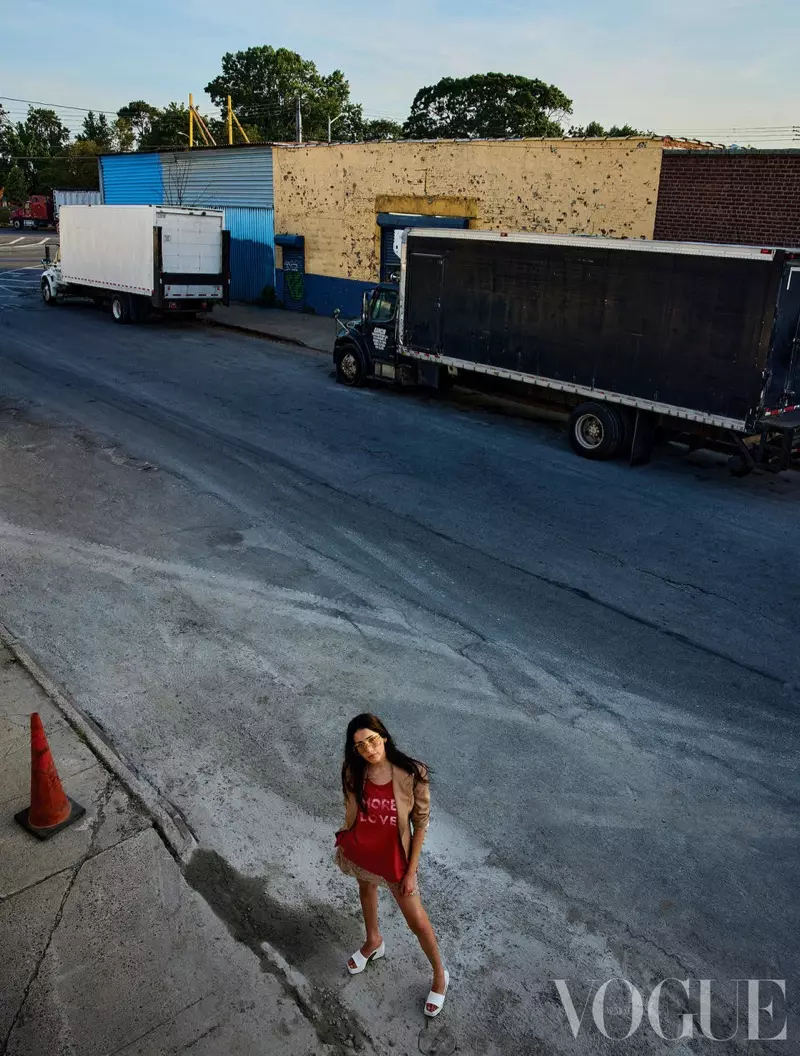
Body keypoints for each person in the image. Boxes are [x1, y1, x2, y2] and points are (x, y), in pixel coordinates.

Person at [335, 713, 449, 1017]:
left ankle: (440, 974)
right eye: (360, 745)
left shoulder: (412, 772)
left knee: (417, 922)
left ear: (383, 736)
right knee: (366, 890)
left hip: (395, 859)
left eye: (372, 740)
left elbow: (420, 824)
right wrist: (349, 842)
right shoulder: (353, 771)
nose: (369, 749)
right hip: (365, 851)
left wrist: (411, 872)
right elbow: (352, 811)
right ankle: (373, 940)